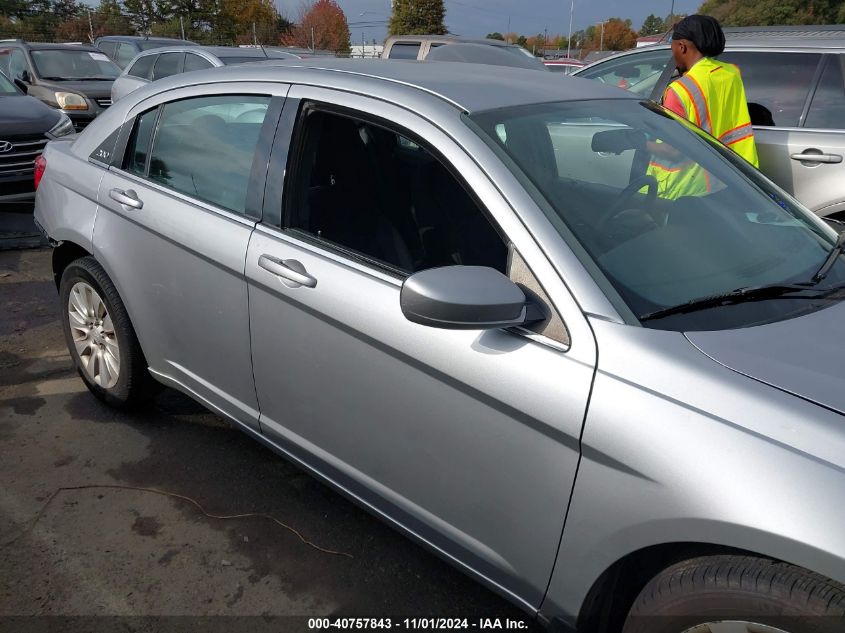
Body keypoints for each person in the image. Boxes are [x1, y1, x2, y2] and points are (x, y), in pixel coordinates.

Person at [648, 15, 759, 199]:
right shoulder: (731, 73)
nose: (672, 53)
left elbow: (673, 152)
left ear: (681, 47)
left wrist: (636, 142)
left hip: (682, 191)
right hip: (729, 179)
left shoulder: (680, 90)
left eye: (672, 47)